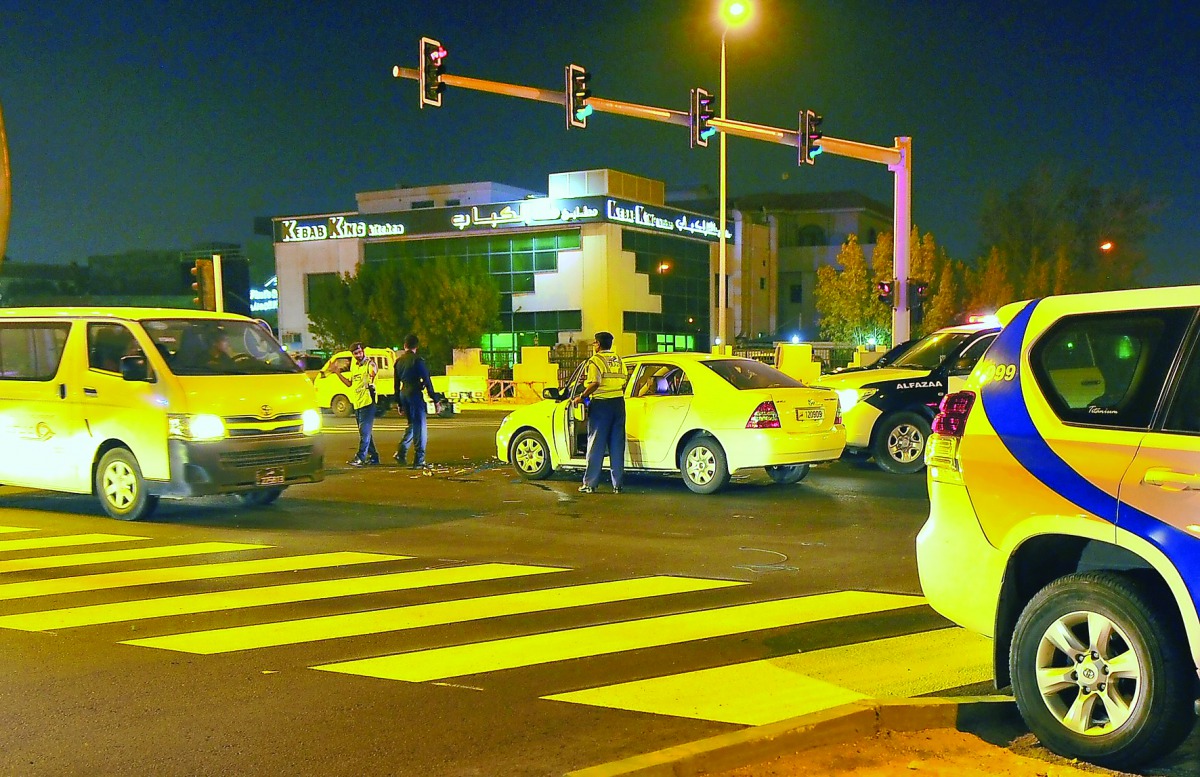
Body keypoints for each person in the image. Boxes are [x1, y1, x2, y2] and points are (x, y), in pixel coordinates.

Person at [572, 331, 628, 494]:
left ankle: (590, 483)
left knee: (596, 444)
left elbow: (595, 382)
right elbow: (624, 379)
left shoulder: (595, 361)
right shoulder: (619, 360)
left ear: (597, 344)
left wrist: (581, 397)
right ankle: (618, 484)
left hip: (601, 405)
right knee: (617, 445)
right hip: (618, 404)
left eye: (594, 343)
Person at [393, 334, 443, 469]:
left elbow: (396, 385)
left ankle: (401, 452)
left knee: (412, 425)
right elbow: (427, 381)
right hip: (414, 394)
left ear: (405, 346)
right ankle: (419, 460)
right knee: (420, 427)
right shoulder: (418, 361)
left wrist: (399, 403)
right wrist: (435, 400)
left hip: (404, 394)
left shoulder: (398, 362)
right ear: (417, 346)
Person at [334, 341, 379, 467]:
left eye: (360, 352)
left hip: (368, 403)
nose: (358, 355)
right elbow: (349, 383)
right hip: (357, 403)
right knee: (365, 432)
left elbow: (373, 371)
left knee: (364, 431)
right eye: (355, 353)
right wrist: (337, 373)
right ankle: (374, 456)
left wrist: (373, 374)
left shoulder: (369, 364)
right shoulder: (354, 366)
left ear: (363, 351)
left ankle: (360, 457)